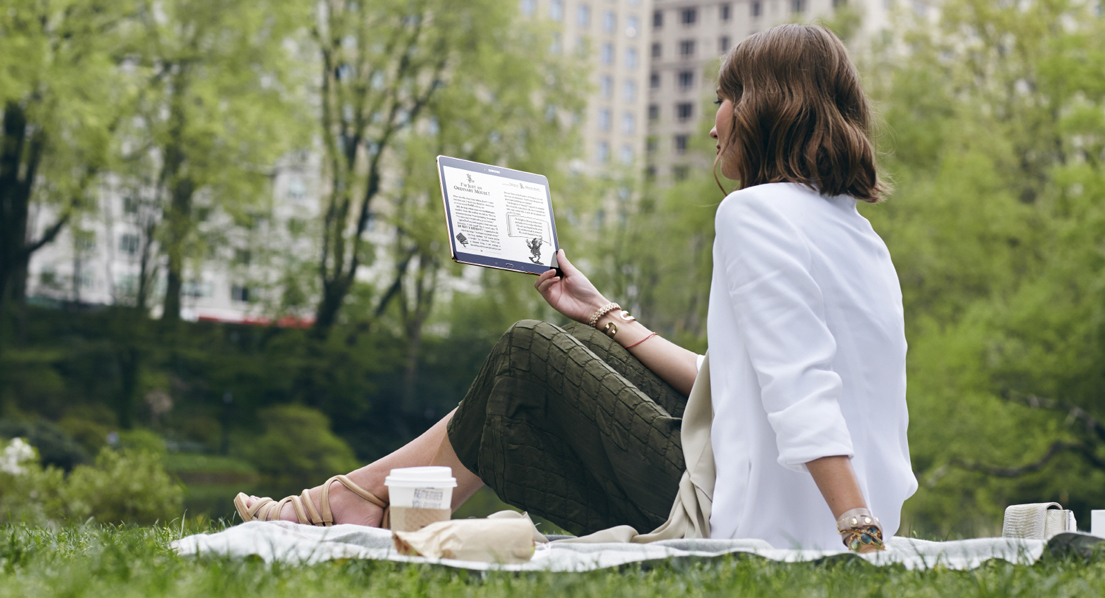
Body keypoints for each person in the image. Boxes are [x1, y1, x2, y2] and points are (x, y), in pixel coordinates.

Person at [235, 24, 917, 552]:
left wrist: (856, 539)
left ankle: (353, 498)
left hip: (758, 517)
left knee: (528, 352)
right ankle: (359, 495)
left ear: (764, 107)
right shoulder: (859, 237)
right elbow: (746, 382)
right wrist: (603, 314)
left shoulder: (752, 211)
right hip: (828, 504)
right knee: (570, 341)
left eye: (722, 101)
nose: (713, 124)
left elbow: (798, 390)